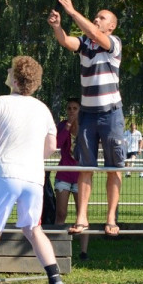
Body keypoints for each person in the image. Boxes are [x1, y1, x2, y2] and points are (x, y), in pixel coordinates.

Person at [0, 56, 68, 284]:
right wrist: (32, 157)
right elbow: (51, 146)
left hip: (5, 173)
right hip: (33, 177)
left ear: (14, 79)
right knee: (34, 229)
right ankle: (56, 281)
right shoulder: (42, 109)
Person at [47, 0, 124, 238]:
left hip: (111, 114)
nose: (96, 19)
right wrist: (57, 26)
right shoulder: (85, 43)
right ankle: (82, 217)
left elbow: (93, 33)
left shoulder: (113, 43)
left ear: (111, 26)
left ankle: (111, 218)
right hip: (88, 114)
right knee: (85, 167)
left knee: (114, 167)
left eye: (102, 18)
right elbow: (66, 41)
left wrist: (71, 11)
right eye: (96, 17)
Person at [54, 98, 89, 259]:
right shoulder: (62, 125)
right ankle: (57, 249)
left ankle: (83, 251)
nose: (72, 111)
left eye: (75, 108)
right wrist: (67, 126)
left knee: (82, 213)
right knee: (61, 212)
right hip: (64, 173)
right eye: (69, 108)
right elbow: (57, 143)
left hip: (81, 175)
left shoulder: (85, 126)